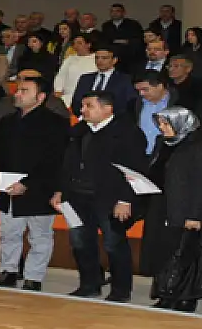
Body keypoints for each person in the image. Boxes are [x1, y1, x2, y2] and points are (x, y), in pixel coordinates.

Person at [52, 91, 149, 301]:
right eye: (82, 106)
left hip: (110, 199)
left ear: (107, 108)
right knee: (80, 242)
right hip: (77, 197)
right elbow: (66, 164)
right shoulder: (78, 131)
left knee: (114, 244)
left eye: (89, 106)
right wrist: (60, 190)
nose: (82, 110)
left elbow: (136, 170)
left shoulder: (127, 133)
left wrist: (125, 200)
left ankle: (120, 290)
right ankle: (90, 284)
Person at [0, 78, 68, 290]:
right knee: (8, 233)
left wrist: (27, 183)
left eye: (24, 91)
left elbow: (55, 159)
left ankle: (34, 277)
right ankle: (9, 270)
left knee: (39, 235)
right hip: (8, 186)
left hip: (40, 187)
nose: (17, 94)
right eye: (18, 90)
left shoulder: (56, 123)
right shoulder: (7, 121)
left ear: (40, 97)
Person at [146, 106, 202, 312]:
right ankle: (166, 293)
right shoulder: (163, 143)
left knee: (187, 254)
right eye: (160, 123)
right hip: (163, 204)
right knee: (165, 251)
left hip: (189, 208)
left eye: (166, 123)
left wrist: (194, 215)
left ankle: (186, 297)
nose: (162, 127)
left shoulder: (200, 146)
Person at [68, 46, 136, 116]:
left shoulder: (125, 79)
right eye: (97, 58)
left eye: (104, 58)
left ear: (114, 60)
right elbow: (76, 103)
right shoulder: (85, 78)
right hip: (85, 118)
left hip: (113, 119)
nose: (99, 61)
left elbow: (129, 104)